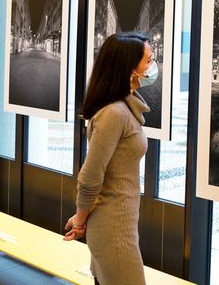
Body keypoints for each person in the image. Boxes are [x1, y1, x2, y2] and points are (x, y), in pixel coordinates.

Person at [64, 32, 156, 285]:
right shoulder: (114, 113)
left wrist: (82, 217)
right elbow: (91, 175)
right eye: (148, 60)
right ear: (129, 68)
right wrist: (80, 220)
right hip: (113, 230)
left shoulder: (124, 108)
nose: (153, 66)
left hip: (120, 225)